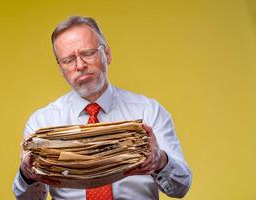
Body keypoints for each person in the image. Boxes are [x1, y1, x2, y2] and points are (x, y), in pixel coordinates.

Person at [13, 16, 192, 200]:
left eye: (88, 53)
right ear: (60, 69)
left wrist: (160, 161)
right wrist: (26, 175)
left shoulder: (149, 111)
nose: (80, 65)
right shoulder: (41, 123)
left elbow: (181, 187)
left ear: (107, 54)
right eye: (68, 60)